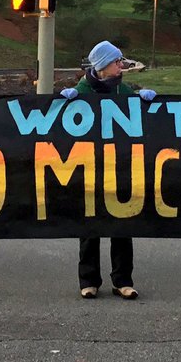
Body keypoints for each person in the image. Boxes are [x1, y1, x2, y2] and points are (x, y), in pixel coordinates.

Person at [59, 40, 156, 300]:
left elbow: (141, 122)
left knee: (122, 225)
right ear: (101, 67)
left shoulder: (122, 91)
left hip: (120, 167)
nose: (120, 66)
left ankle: (122, 280)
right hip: (88, 167)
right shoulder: (80, 93)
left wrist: (147, 103)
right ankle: (89, 280)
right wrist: (62, 105)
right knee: (90, 225)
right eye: (116, 62)